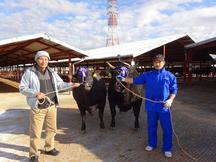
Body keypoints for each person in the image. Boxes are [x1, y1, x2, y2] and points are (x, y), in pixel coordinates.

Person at [19, 50, 80, 162]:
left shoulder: (52, 72)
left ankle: (49, 147)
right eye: (41, 59)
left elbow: (60, 84)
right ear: (36, 60)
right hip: (38, 107)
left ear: (48, 60)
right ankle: (33, 154)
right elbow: (22, 88)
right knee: (36, 132)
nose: (43, 61)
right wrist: (35, 93)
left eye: (46, 59)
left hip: (51, 105)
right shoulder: (30, 72)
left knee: (51, 129)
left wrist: (71, 84)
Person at [117, 54, 178, 158]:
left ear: (163, 62)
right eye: (155, 62)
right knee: (151, 126)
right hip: (151, 106)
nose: (157, 64)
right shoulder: (147, 75)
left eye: (159, 61)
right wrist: (122, 79)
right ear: (153, 63)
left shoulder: (170, 76)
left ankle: (167, 148)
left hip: (164, 106)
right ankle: (152, 144)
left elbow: (174, 90)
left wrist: (170, 100)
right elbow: (134, 80)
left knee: (167, 128)